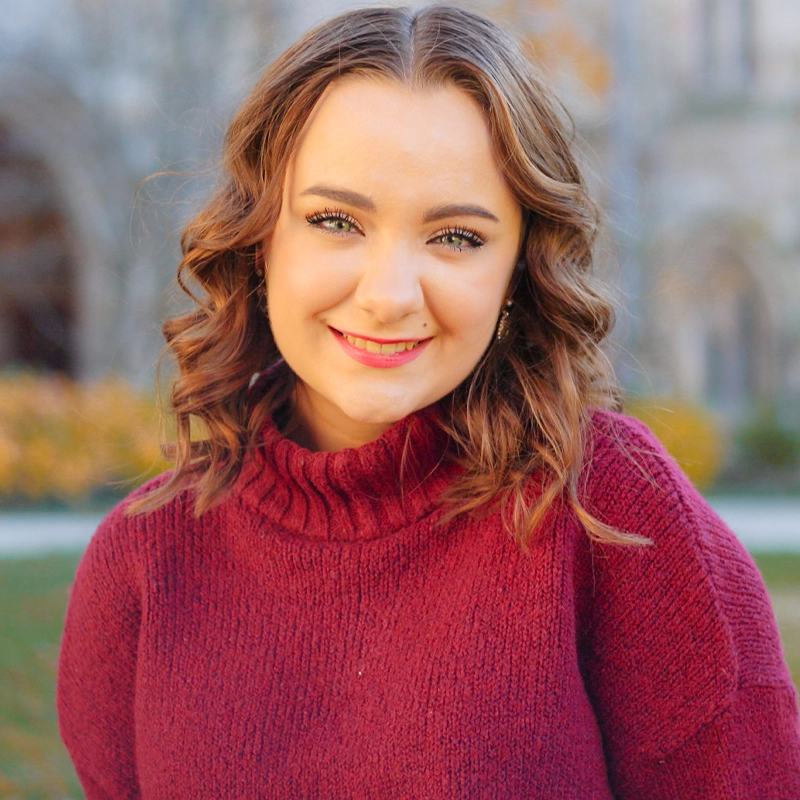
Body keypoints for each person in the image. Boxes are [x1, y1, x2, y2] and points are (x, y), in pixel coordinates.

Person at [58, 5, 800, 798]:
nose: (388, 296)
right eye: (335, 221)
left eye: (456, 237)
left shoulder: (613, 513)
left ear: (521, 267)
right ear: (261, 236)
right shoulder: (142, 562)